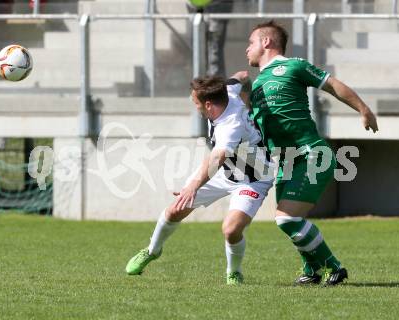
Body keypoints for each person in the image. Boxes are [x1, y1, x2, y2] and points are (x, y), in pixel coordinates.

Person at [245, 20, 379, 286]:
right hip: (286, 160)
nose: (246, 49)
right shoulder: (259, 82)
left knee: (287, 219)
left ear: (266, 42)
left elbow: (333, 85)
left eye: (250, 43)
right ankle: (312, 270)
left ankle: (334, 267)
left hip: (311, 155)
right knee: (290, 220)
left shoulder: (292, 66)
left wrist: (363, 109)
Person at [125, 71, 274, 285]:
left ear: (208, 105)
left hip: (254, 178)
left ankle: (233, 272)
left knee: (231, 229)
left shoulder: (230, 126)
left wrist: (193, 185)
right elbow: (240, 76)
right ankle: (152, 250)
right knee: (175, 209)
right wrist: (249, 90)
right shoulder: (228, 92)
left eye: (195, 102)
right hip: (227, 173)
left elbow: (217, 158)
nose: (193, 105)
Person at [187, 0, 234, 77]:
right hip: (199, 7)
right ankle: (210, 81)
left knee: (214, 49)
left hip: (217, 6)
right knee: (204, 47)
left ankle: (214, 81)